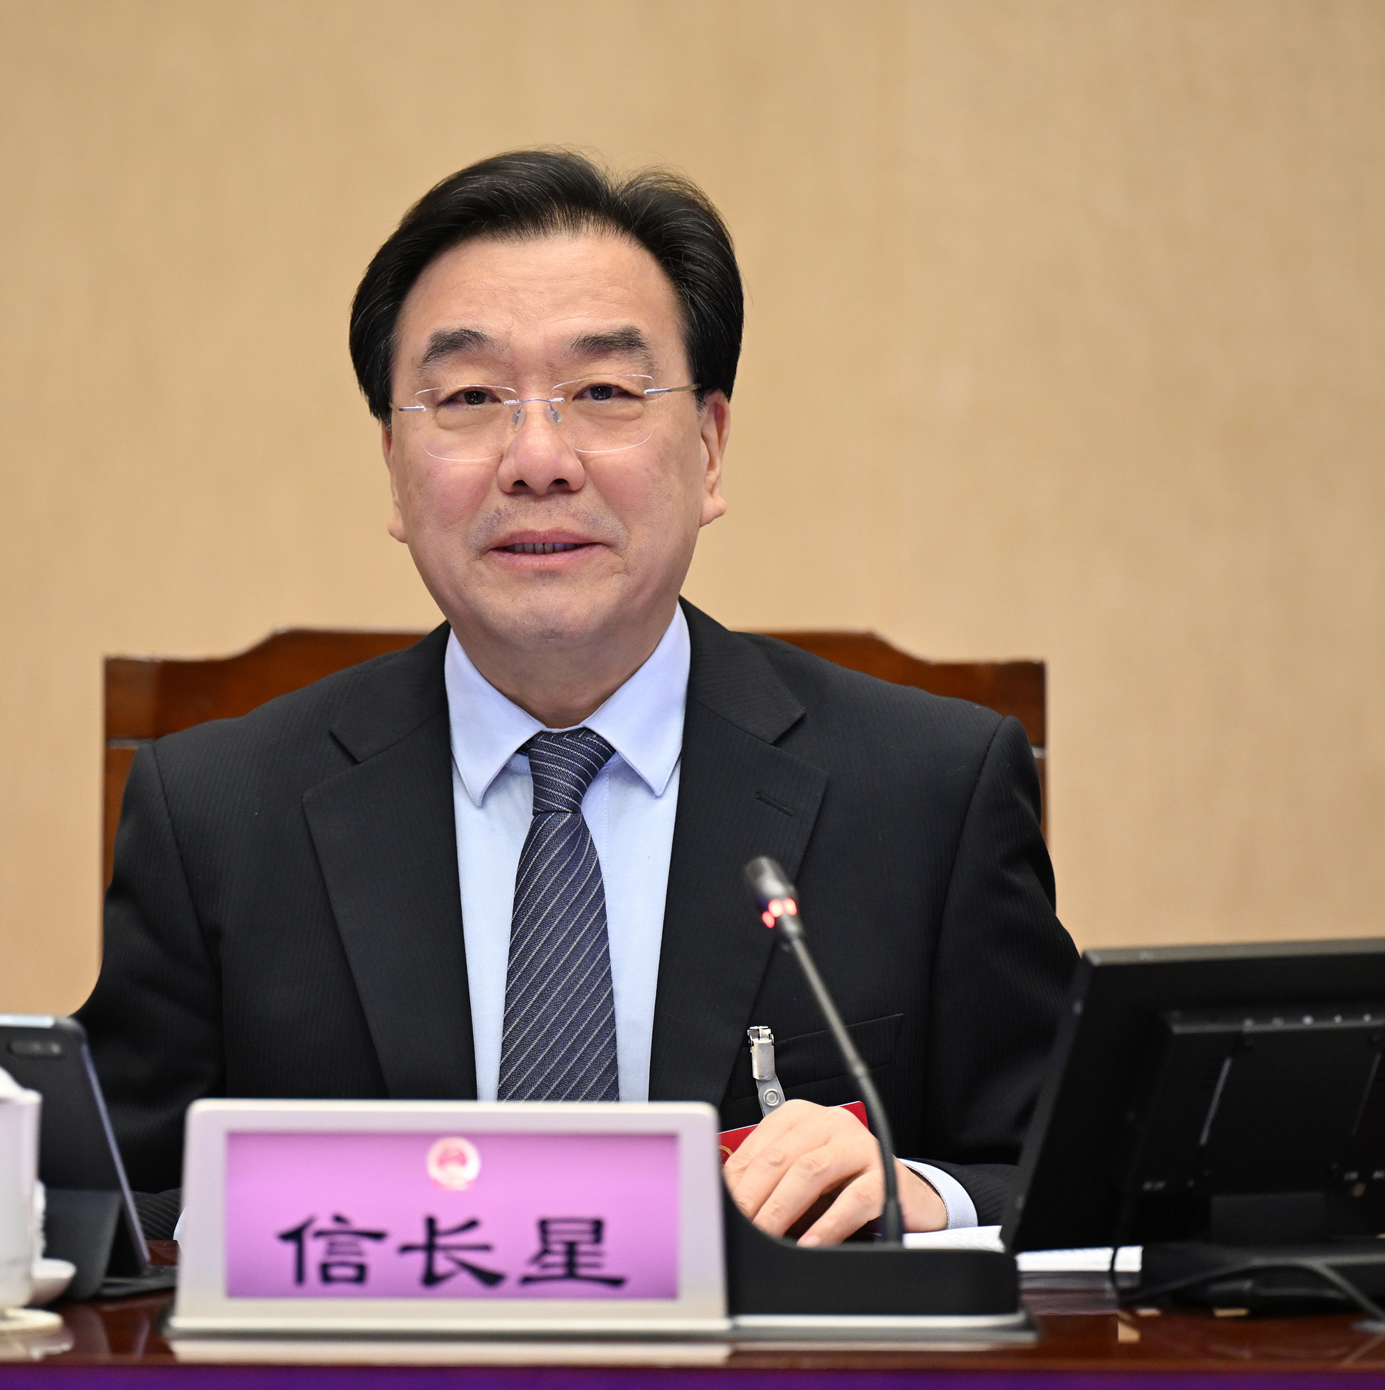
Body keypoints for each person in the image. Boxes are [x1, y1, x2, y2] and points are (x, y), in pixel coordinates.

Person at [76, 149, 1076, 1247]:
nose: (538, 458)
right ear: (394, 466)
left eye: (602, 393)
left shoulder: (928, 792)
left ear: (709, 447)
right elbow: (105, 1207)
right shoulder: (215, 815)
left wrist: (924, 1191)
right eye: (470, 397)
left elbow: (1083, 1181)